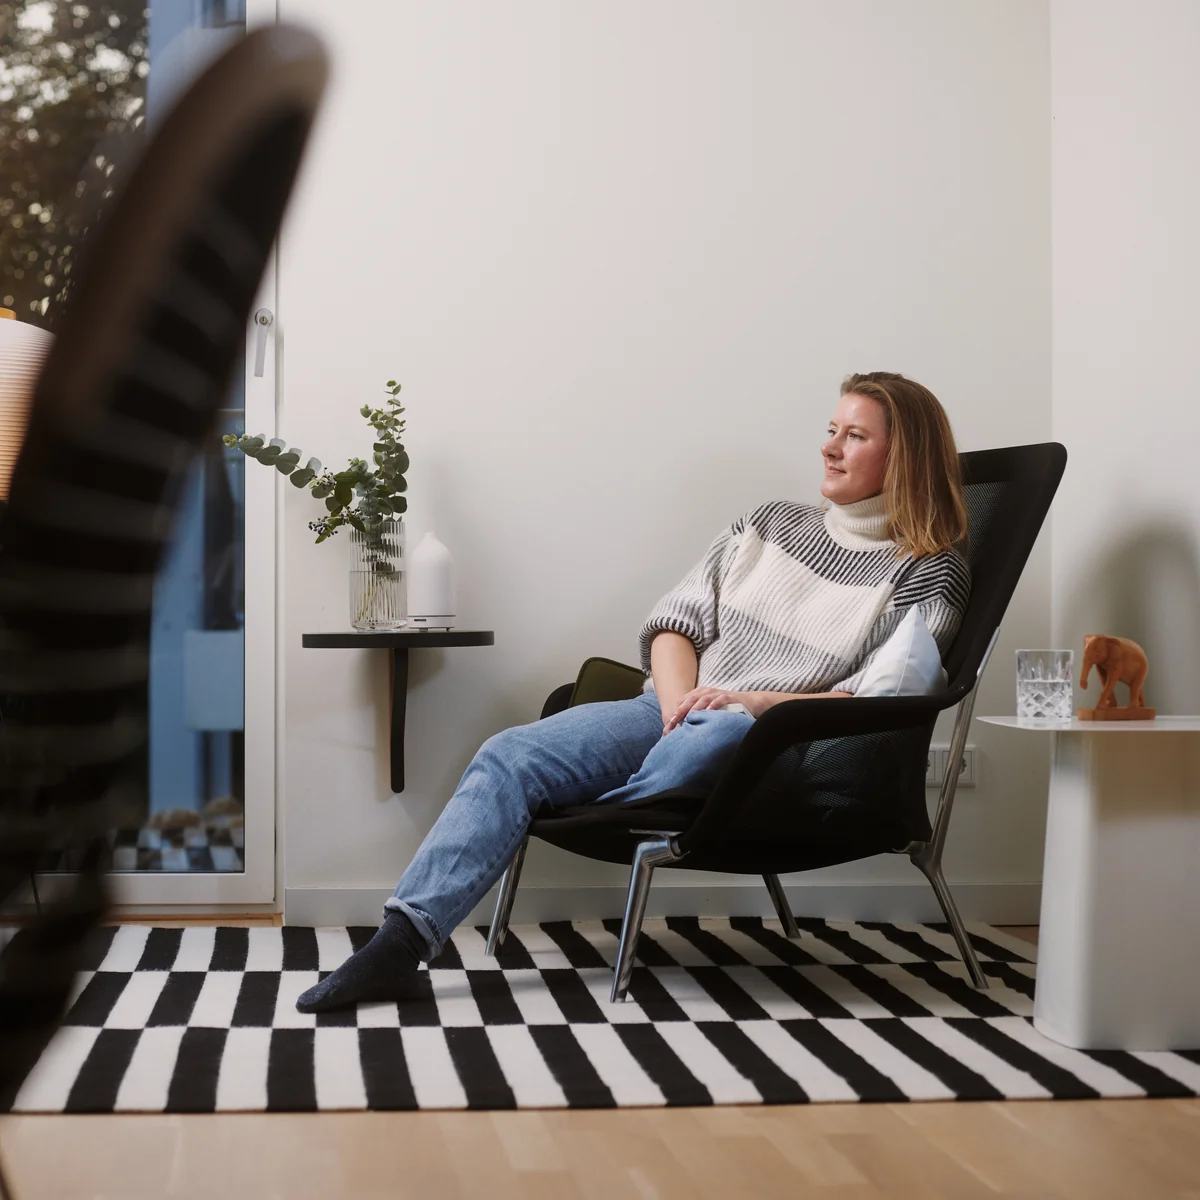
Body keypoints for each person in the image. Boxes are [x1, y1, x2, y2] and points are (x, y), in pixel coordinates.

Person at [297, 371, 971, 1012]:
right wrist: (678, 707)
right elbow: (675, 624)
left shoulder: (927, 571)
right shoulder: (768, 524)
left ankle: (608, 799)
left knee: (719, 731)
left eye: (855, 435)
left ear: (904, 457)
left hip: (766, 742)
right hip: (670, 712)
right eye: (831, 429)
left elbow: (877, 702)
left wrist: (750, 703)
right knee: (510, 753)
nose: (829, 447)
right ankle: (399, 946)